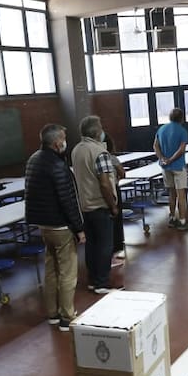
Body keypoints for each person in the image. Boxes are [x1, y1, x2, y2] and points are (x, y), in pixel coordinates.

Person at [24, 124, 85, 331]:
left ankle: (52, 313)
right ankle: (67, 316)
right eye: (64, 138)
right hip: (60, 227)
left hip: (43, 225)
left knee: (51, 270)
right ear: (57, 142)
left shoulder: (33, 160)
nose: (65, 142)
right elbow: (67, 200)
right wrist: (79, 228)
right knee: (67, 272)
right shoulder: (58, 166)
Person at [70, 115, 122, 294]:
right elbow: (105, 183)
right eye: (101, 127)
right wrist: (113, 206)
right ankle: (102, 282)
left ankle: (93, 279)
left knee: (91, 245)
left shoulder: (77, 150)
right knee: (105, 245)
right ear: (96, 131)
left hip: (84, 205)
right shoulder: (100, 152)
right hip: (100, 205)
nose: (103, 130)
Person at [153, 107, 188, 231]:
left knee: (171, 193)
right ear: (181, 118)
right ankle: (182, 220)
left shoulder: (162, 129)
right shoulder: (182, 131)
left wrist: (162, 159)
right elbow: (181, 150)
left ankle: (172, 218)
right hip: (178, 167)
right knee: (181, 194)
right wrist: (171, 159)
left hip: (165, 167)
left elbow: (155, 146)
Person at [103, 131, 127, 263]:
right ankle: (116, 245)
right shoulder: (111, 158)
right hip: (113, 189)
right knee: (116, 218)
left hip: (100, 193)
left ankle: (109, 247)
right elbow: (123, 173)